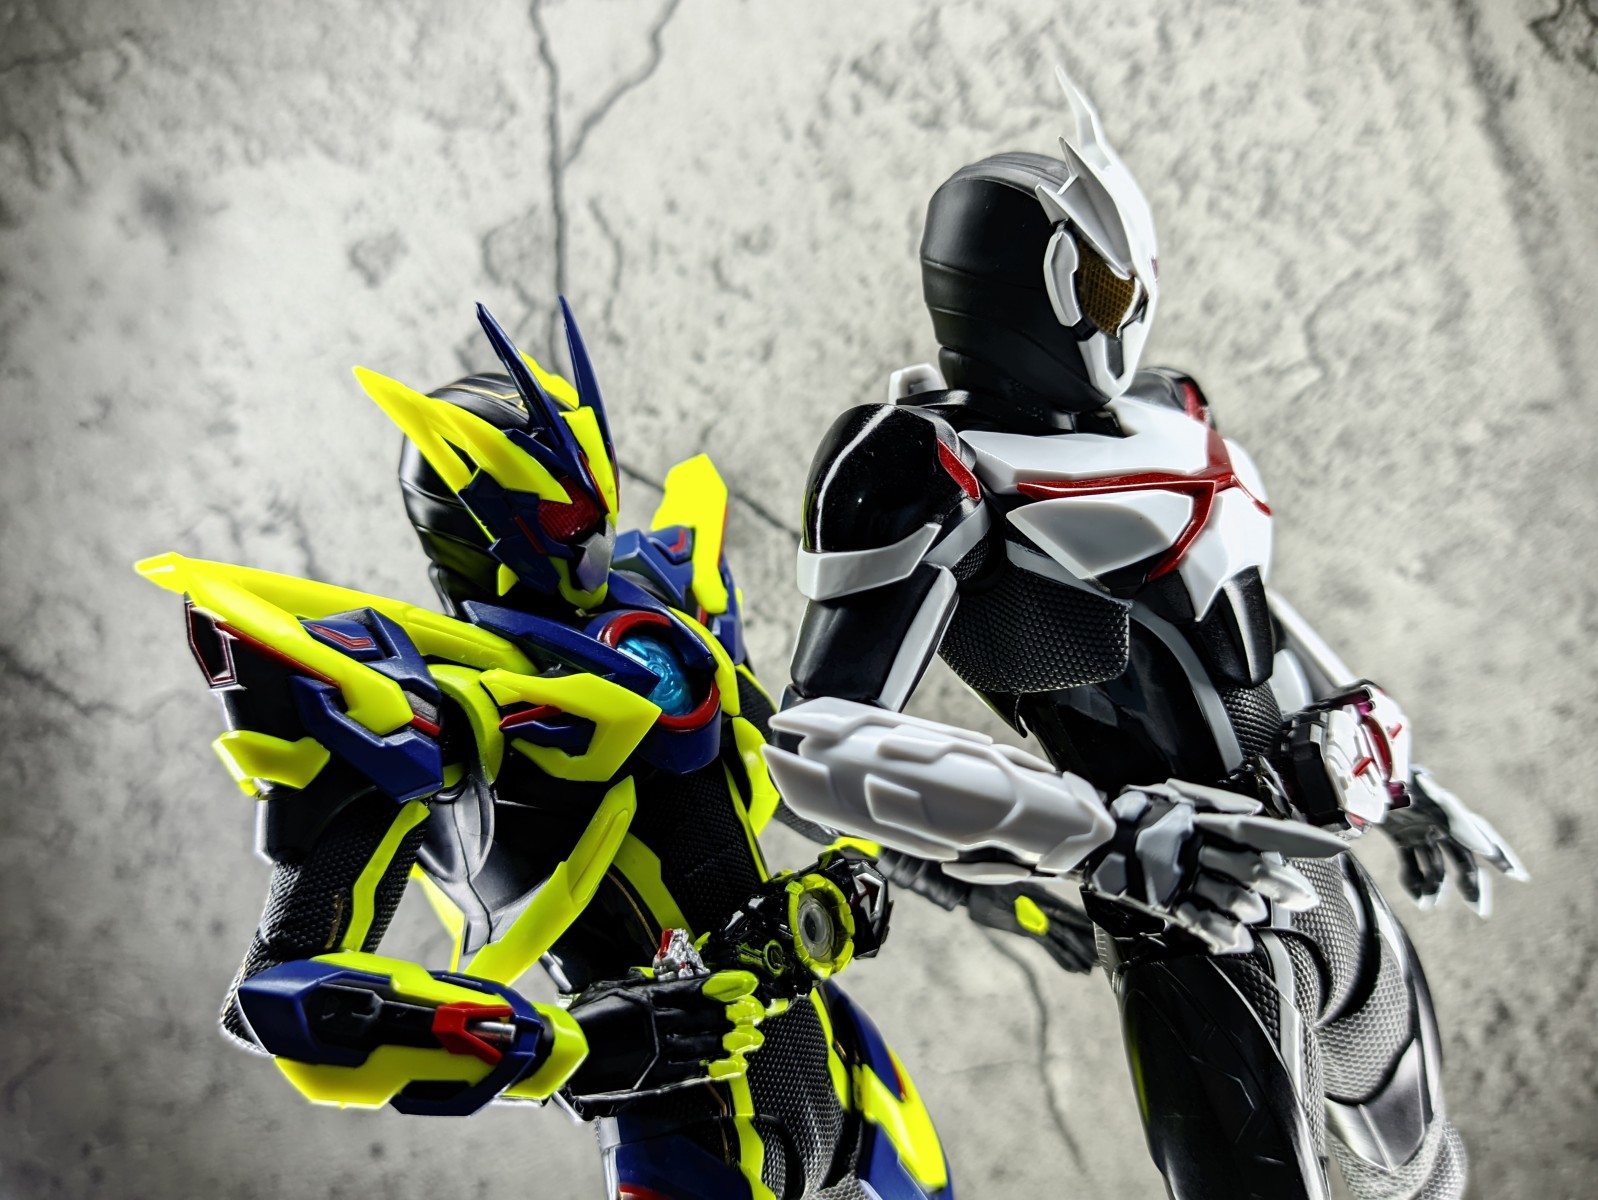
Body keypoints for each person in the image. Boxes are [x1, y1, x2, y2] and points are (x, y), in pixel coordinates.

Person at [768, 68, 1525, 1200]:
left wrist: (1401, 782)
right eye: (1101, 283)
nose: (1128, 309)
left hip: (1326, 870)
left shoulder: (1171, 410)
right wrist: (1101, 836)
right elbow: (815, 745)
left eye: (1126, 280)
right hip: (1193, 917)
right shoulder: (922, 463)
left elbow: (1246, 624)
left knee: (1425, 1175)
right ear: (1032, 289)